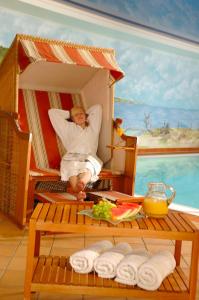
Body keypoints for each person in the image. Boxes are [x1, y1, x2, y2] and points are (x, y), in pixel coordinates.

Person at [48, 104, 102, 200]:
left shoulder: (93, 127)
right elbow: (52, 112)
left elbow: (97, 108)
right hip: (71, 157)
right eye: (76, 115)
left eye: (81, 114)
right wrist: (70, 113)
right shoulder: (68, 128)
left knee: (88, 168)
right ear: (72, 119)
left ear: (85, 116)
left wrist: (84, 113)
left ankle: (81, 184)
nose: (79, 116)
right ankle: (79, 190)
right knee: (71, 170)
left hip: (89, 157)